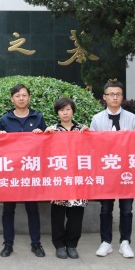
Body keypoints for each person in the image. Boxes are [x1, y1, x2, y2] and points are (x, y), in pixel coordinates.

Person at [90, 81, 135, 259]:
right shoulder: (97, 119)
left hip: (126, 171)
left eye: (118, 94)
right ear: (104, 97)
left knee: (127, 209)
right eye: (111, 94)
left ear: (122, 97)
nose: (115, 97)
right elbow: (92, 145)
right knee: (105, 209)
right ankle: (106, 242)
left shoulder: (131, 118)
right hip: (106, 171)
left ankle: (125, 242)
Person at [0, 83, 47, 258]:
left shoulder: (38, 117)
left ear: (29, 98)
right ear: (12, 99)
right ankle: (8, 244)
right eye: (17, 95)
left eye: (24, 95)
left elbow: (47, 143)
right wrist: (0, 137)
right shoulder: (5, 119)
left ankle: (36, 244)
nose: (21, 98)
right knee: (8, 210)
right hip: (11, 172)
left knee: (33, 209)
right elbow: (0, 146)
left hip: (30, 171)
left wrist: (42, 134)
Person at [45, 97, 88, 259]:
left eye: (68, 109)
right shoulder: (53, 130)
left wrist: (90, 134)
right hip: (59, 179)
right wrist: (45, 135)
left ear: (73, 111)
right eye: (62, 110)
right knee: (58, 214)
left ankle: (72, 244)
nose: (65, 113)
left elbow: (92, 148)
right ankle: (59, 245)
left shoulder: (82, 129)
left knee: (76, 214)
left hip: (78, 179)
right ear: (57, 112)